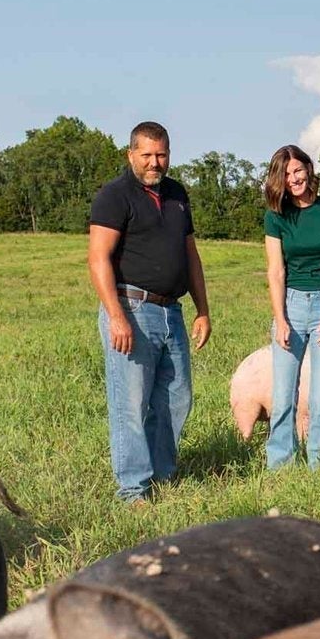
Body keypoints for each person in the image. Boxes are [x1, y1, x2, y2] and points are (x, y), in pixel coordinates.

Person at [87, 121, 211, 501]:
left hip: (171, 312)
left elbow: (190, 254)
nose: (155, 163)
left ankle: (163, 475)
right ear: (131, 155)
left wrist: (202, 310)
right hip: (132, 308)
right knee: (131, 403)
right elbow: (98, 259)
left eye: (162, 154)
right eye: (147, 155)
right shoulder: (114, 196)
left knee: (176, 397)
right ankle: (133, 489)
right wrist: (116, 315)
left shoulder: (177, 194)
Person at [260, 143, 320, 468]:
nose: (293, 178)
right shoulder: (276, 216)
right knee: (284, 394)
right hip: (291, 306)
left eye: (297, 170)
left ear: (308, 169)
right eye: (286, 174)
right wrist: (280, 319)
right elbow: (276, 269)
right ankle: (280, 462)